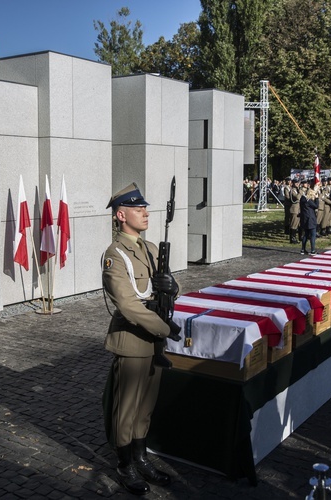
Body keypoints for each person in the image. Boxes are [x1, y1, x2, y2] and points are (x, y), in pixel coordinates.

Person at [101, 183, 182, 494]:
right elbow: (128, 304)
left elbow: (163, 294)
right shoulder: (115, 255)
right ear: (121, 215)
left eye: (145, 208)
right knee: (127, 409)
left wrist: (172, 288)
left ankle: (141, 458)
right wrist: (165, 329)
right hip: (133, 341)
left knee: (145, 407)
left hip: (153, 343)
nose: (145, 213)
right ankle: (124, 465)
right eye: (138, 209)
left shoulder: (149, 249)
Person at [300, 184, 319, 255]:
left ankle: (303, 249)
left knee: (306, 234)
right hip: (310, 219)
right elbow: (316, 206)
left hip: (304, 218)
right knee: (313, 235)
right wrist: (317, 199)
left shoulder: (303, 199)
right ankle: (313, 250)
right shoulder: (308, 200)